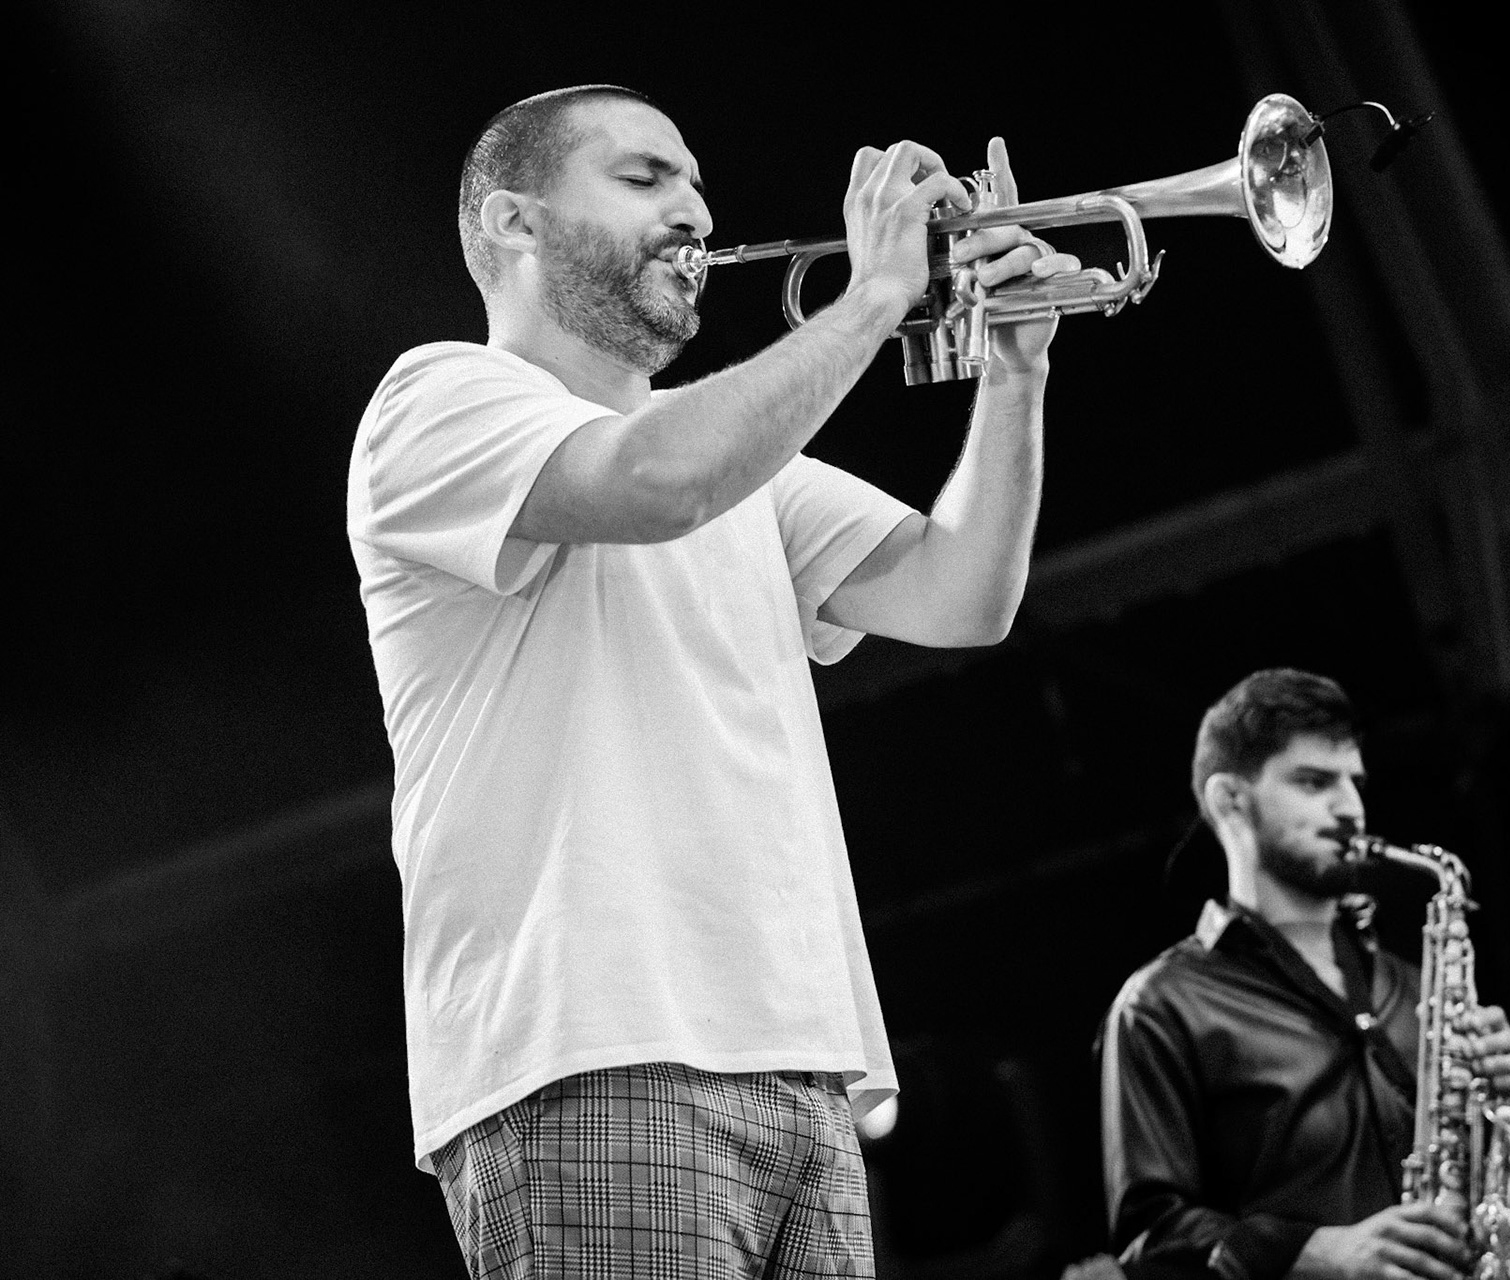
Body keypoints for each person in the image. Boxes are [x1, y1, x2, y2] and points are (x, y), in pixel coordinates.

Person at [345, 83, 1080, 1277]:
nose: (691, 212)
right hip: (593, 1049)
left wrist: (1015, 371)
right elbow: (654, 482)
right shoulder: (436, 401)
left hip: (803, 1066)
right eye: (643, 179)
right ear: (515, 225)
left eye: (694, 184)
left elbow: (964, 594)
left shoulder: (739, 455)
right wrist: (878, 293)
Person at [1093, 669, 1510, 1280]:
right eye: (1314, 781)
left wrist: (1493, 1097)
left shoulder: (1413, 983)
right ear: (1229, 800)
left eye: (1355, 783)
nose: (1350, 808)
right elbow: (1152, 1236)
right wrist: (1312, 1253)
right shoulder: (1162, 1005)